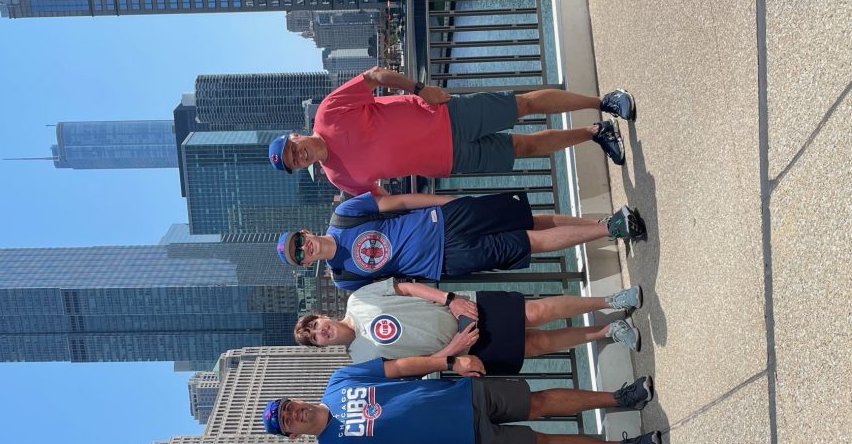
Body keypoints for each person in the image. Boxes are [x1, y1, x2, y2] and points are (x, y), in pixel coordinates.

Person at [261, 356, 662, 444]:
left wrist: (450, 361)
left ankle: (620, 397)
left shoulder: (339, 380)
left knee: (537, 401)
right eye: (287, 422)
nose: (293, 413)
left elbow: (398, 367)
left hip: (462, 394)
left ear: (295, 398)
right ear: (294, 435)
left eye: (287, 406)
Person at [266, 67, 637, 195]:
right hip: (448, 160)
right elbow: (385, 201)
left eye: (291, 149)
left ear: (295, 135)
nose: (297, 156)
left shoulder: (329, 111)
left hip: (445, 116)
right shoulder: (338, 178)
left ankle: (603, 101)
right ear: (300, 168)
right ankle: (595, 132)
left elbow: (375, 76)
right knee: (523, 149)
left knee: (522, 105)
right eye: (293, 163)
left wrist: (418, 89)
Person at [275, 190, 646, 291]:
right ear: (306, 264)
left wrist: (449, 202)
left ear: (305, 232)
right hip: (446, 261)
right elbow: (395, 290)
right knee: (526, 242)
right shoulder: (344, 278)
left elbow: (401, 202)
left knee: (527, 219)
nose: (303, 248)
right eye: (299, 255)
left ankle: (601, 223)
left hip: (444, 219)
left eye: (299, 241)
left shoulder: (345, 215)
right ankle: (608, 229)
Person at [293, 279, 644, 374]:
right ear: (322, 346)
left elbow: (406, 287)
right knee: (536, 344)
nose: (319, 332)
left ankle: (610, 301)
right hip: (465, 347)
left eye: (315, 325)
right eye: (314, 339)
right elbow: (407, 370)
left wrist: (451, 300)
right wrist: (451, 353)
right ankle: (607, 332)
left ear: (323, 316)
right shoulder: (359, 360)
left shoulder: (358, 299)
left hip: (465, 309)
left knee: (538, 311)